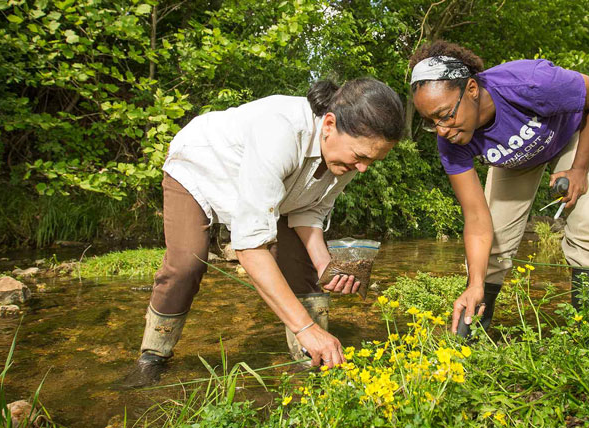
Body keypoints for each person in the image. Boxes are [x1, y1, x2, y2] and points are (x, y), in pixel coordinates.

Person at [126, 78, 405, 386]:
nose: (364, 168)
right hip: (199, 169)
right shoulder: (281, 132)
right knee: (187, 263)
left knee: (304, 268)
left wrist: (326, 265)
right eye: (361, 156)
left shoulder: (347, 159)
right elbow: (250, 247)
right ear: (329, 124)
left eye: (372, 160)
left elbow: (308, 210)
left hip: (276, 191)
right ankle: (153, 355)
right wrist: (304, 327)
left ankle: (312, 359)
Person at [408, 41, 589, 334]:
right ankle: (474, 332)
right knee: (492, 247)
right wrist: (475, 284)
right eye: (431, 122)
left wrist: (580, 170)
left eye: (445, 115)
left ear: (471, 89)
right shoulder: (449, 141)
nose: (441, 129)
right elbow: (477, 219)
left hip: (573, 137)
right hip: (516, 161)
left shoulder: (531, 83)